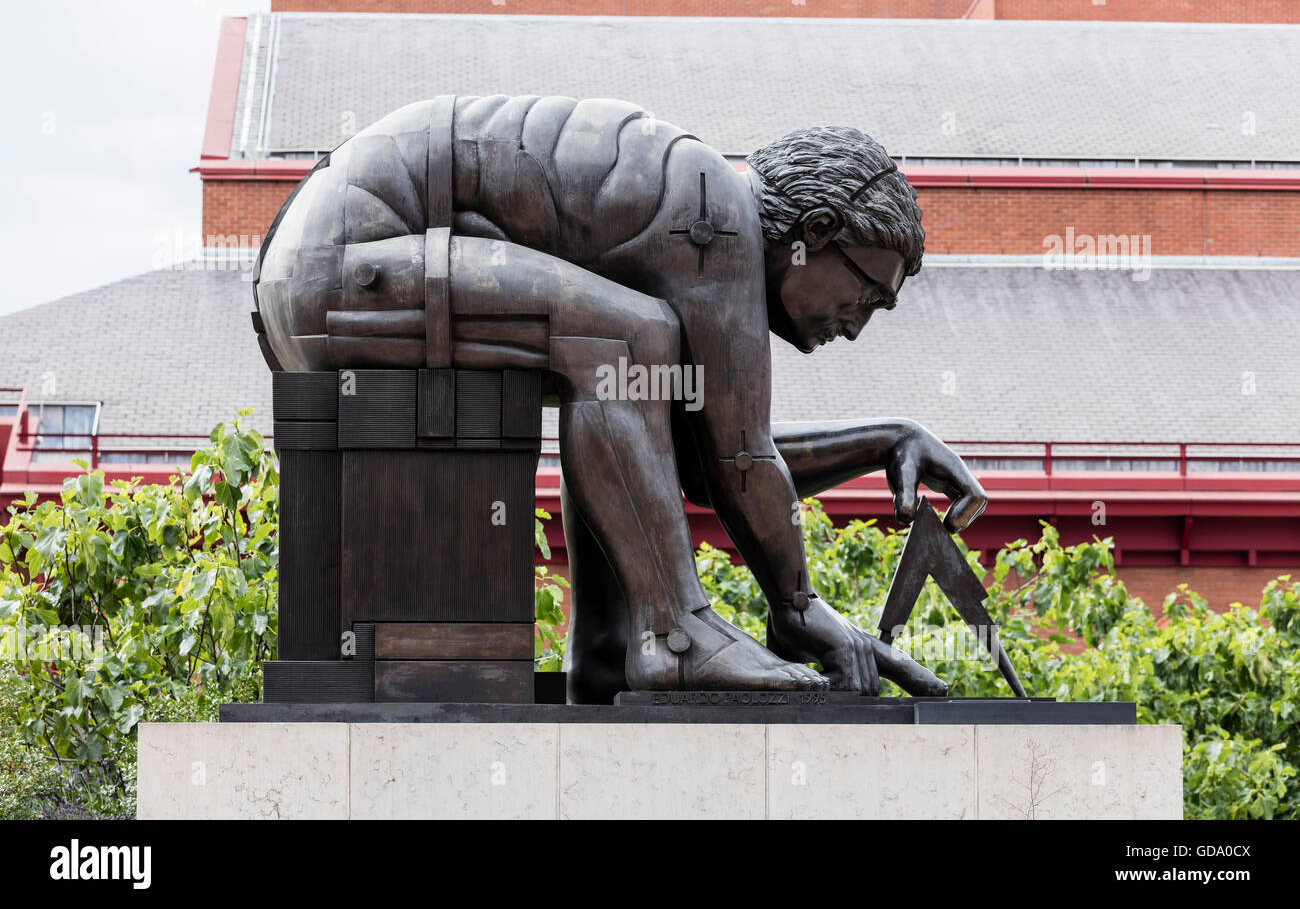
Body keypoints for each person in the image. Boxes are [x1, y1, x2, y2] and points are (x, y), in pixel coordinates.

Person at [252, 95, 987, 702]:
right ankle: (674, 636)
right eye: (866, 294)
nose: (854, 326)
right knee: (625, 343)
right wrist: (798, 609)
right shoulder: (717, 211)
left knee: (631, 366)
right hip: (345, 267)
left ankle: (606, 653)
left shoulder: (699, 212)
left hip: (330, 274)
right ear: (816, 232)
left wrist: (886, 439)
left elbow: (702, 454)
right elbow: (737, 459)